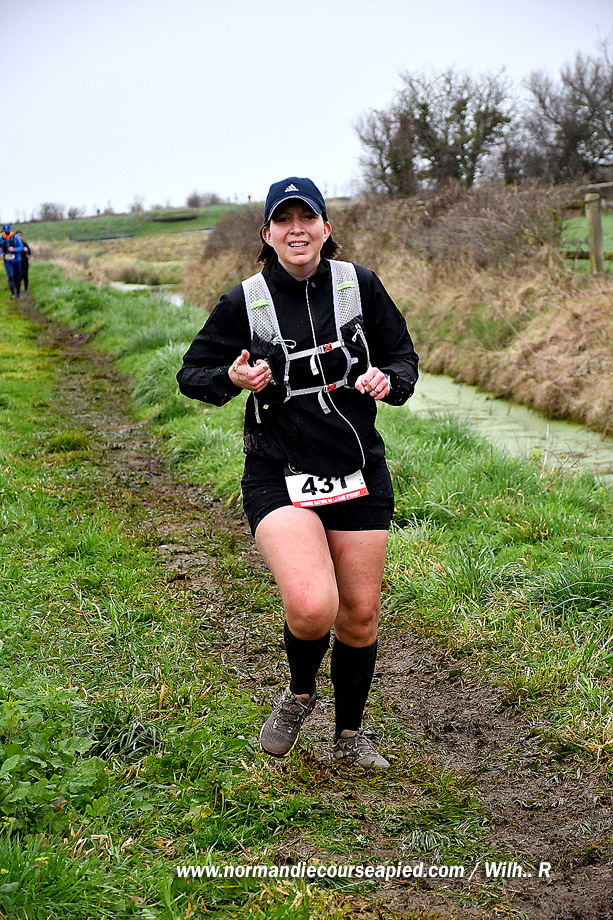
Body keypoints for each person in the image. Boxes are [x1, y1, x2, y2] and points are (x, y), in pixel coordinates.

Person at [177, 177, 419, 768]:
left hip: (357, 468)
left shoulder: (359, 285)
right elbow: (191, 374)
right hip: (278, 470)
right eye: (282, 221)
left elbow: (402, 357)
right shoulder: (247, 300)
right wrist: (232, 378)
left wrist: (388, 380)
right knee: (313, 606)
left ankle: (350, 737)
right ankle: (299, 693)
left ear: (325, 228)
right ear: (267, 235)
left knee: (359, 616)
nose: (296, 230)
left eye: (306, 219)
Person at [1, 224, 24, 299]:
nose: (7, 233)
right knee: (11, 276)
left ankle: (18, 292)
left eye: (8, 231)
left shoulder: (15, 237)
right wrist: (1, 254)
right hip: (8, 261)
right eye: (6, 232)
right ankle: (13, 293)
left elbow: (21, 247)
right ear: (4, 231)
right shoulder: (1, 238)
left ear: (10, 230)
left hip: (17, 260)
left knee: (17, 277)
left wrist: (14, 249)